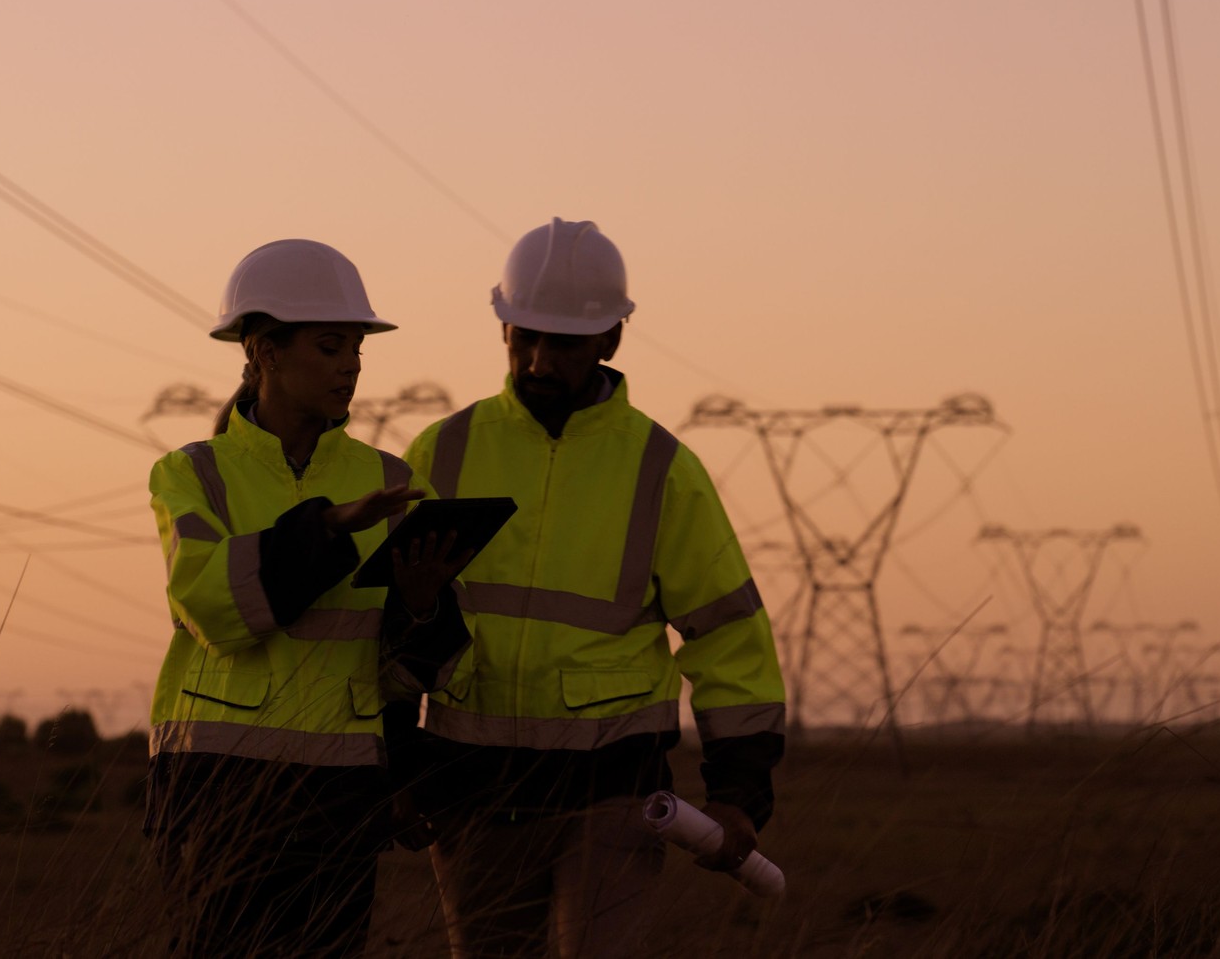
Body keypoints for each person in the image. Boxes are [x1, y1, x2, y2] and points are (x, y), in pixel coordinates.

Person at [403, 218, 787, 958]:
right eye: (527, 339)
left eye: (566, 343)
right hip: (474, 794)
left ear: (611, 339)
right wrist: (397, 760)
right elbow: (395, 619)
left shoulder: (661, 467)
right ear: (505, 327)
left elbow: (729, 634)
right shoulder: (442, 450)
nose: (541, 361)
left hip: (613, 794)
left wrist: (739, 790)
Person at [144, 239, 472, 959]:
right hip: (215, 791)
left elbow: (404, 675)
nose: (351, 364)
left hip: (340, 799)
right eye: (329, 346)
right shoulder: (191, 473)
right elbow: (214, 605)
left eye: (356, 347)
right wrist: (324, 529)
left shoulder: (387, 476)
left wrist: (420, 606)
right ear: (263, 349)